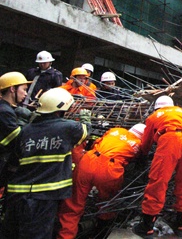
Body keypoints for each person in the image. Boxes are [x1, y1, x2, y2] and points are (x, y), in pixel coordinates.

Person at [0, 88, 88, 239]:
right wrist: (85, 118)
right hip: (44, 196)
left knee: (11, 233)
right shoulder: (69, 128)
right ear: (62, 109)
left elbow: (14, 159)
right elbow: (85, 131)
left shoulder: (24, 131)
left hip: (16, 193)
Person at [57, 123, 146, 239]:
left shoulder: (116, 130)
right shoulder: (139, 144)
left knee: (73, 204)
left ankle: (65, 236)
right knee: (107, 203)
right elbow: (137, 160)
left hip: (88, 160)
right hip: (110, 169)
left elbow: (96, 142)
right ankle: (101, 231)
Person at [133, 96, 182, 238]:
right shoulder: (181, 111)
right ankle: (181, 225)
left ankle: (147, 227)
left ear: (157, 108)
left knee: (159, 180)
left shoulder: (153, 117)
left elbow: (146, 143)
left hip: (171, 138)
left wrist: (142, 157)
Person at [0, 72, 31, 186]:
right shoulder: (5, 111)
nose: (26, 94)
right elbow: (17, 140)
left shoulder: (7, 109)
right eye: (23, 89)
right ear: (12, 89)